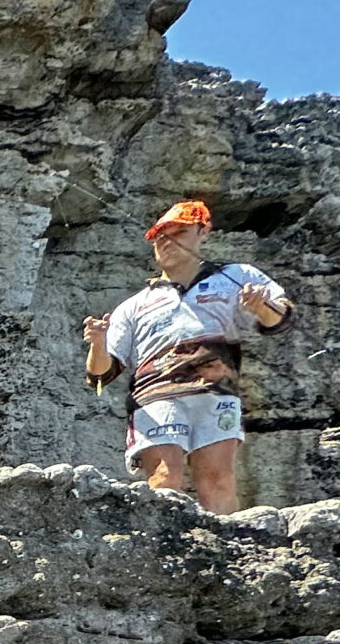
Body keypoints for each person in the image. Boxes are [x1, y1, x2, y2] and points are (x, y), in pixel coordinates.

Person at [85, 198, 292, 514]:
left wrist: (261, 306)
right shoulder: (134, 304)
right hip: (156, 398)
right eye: (159, 238)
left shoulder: (235, 276)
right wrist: (98, 342)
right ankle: (164, 548)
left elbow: (280, 319)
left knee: (218, 479)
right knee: (164, 477)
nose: (166, 243)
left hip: (216, 393)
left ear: (202, 231)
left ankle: (228, 552)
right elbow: (100, 375)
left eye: (178, 233)